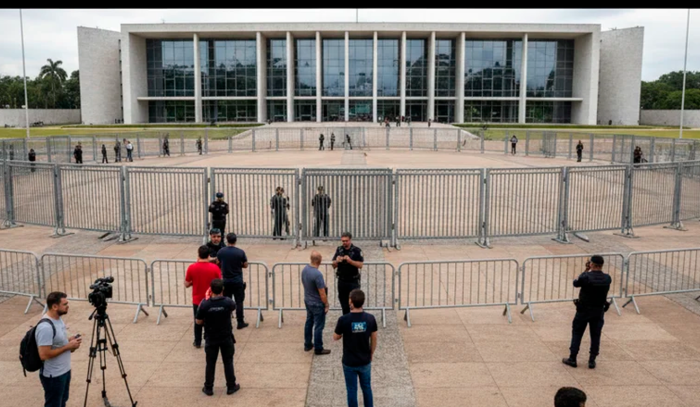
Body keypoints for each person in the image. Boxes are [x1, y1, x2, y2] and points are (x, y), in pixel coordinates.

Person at [562, 255, 612, 370]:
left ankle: (573, 358)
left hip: (584, 310)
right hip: (598, 310)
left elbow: (576, 283)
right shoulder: (607, 278)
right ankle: (592, 360)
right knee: (595, 335)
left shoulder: (586, 277)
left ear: (591, 264)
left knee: (577, 333)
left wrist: (586, 270)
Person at [36, 291, 83, 407]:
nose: (68, 306)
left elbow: (57, 342)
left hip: (64, 370)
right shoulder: (45, 327)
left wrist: (69, 341)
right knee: (54, 404)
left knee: (62, 402)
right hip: (54, 375)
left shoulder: (58, 319)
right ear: (54, 306)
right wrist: (67, 346)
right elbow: (44, 354)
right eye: (65, 304)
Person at [196, 279, 240, 396]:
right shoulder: (228, 302)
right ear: (222, 289)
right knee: (228, 362)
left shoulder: (205, 304)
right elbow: (233, 307)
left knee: (210, 363)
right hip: (226, 336)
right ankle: (231, 386)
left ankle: (208, 387)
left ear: (210, 290)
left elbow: (198, 321)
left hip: (211, 337)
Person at [333, 289, 377, 407]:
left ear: (350, 301)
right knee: (366, 387)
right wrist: (371, 353)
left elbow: (335, 337)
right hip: (364, 359)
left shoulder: (344, 320)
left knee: (351, 389)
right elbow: (374, 338)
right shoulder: (370, 319)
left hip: (349, 361)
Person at [185, 245, 223, 348]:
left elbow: (186, 284)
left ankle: (197, 341)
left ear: (198, 255)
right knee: (210, 321)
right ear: (209, 255)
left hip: (197, 300)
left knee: (197, 321)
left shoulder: (192, 267)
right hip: (211, 298)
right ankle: (208, 339)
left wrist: (193, 282)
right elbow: (219, 283)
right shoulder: (214, 268)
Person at [216, 233, 249, 329]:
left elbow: (218, 262)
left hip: (226, 280)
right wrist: (239, 265)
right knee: (239, 302)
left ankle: (227, 323)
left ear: (227, 240)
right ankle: (240, 321)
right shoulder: (240, 252)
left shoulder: (221, 251)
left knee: (227, 302)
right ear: (235, 240)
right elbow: (245, 265)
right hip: (237, 280)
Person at [302, 251, 331, 355]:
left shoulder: (305, 269)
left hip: (308, 300)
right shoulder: (317, 274)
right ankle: (318, 348)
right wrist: (326, 304)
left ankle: (307, 344)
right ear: (319, 260)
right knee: (319, 326)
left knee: (309, 322)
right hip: (317, 303)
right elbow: (322, 293)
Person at [332, 232, 364, 315]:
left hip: (353, 280)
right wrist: (336, 261)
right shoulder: (339, 250)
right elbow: (333, 265)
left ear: (350, 240)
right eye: (343, 241)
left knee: (355, 301)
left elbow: (360, 265)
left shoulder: (357, 250)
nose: (344, 243)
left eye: (346, 241)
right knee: (344, 303)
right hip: (342, 280)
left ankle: (356, 317)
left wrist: (350, 261)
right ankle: (346, 317)